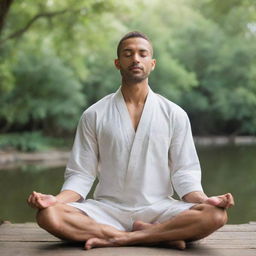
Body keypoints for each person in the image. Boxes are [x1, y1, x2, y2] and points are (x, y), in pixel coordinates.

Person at [27, 31, 234, 250]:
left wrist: (206, 201)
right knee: (48, 215)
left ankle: (120, 238)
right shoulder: (94, 114)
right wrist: (55, 201)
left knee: (216, 215)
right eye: (128, 53)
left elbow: (185, 173)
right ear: (118, 63)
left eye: (142, 54)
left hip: (160, 208)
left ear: (152, 63)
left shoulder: (174, 113)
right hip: (106, 209)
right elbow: (81, 175)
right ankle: (157, 236)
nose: (135, 58)